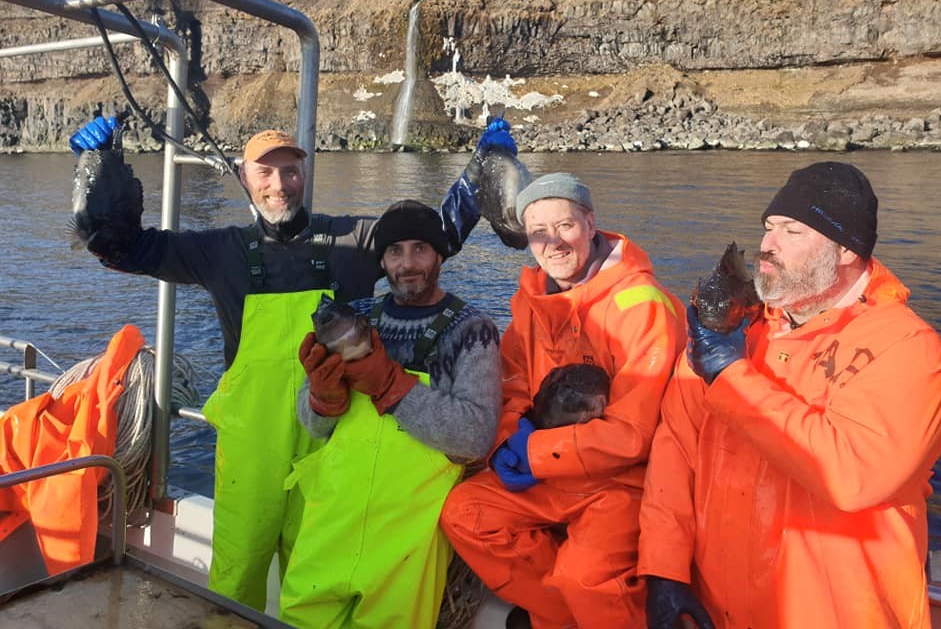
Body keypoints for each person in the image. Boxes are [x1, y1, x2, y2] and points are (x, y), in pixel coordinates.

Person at [67, 116, 505, 610]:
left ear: (304, 175)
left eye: (290, 171)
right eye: (265, 172)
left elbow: (435, 234)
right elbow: (123, 249)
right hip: (250, 449)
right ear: (244, 177)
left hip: (333, 446)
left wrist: (482, 167)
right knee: (235, 575)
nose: (279, 184)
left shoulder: (353, 240)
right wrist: (96, 165)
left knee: (315, 574)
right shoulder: (219, 251)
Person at [637, 162, 941, 629]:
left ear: (845, 250)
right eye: (769, 227)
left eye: (792, 231)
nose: (768, 244)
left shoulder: (908, 348)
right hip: (717, 605)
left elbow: (851, 475)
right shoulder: (733, 327)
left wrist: (730, 375)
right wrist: (664, 569)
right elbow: (676, 448)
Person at [440, 172, 687, 629]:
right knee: (464, 515)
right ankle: (560, 617)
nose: (553, 243)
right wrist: (510, 437)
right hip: (550, 471)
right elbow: (512, 383)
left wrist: (534, 453)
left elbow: (634, 434)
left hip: (624, 481)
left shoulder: (643, 306)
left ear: (590, 224)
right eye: (538, 232)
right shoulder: (530, 303)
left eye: (565, 226)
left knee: (585, 578)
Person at [282, 199, 502, 628]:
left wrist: (390, 386)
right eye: (395, 251)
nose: (407, 264)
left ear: (439, 255)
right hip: (332, 518)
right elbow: (311, 426)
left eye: (420, 249)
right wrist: (323, 400)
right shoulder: (355, 317)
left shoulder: (472, 330)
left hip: (408, 534)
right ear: (381, 261)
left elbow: (475, 436)